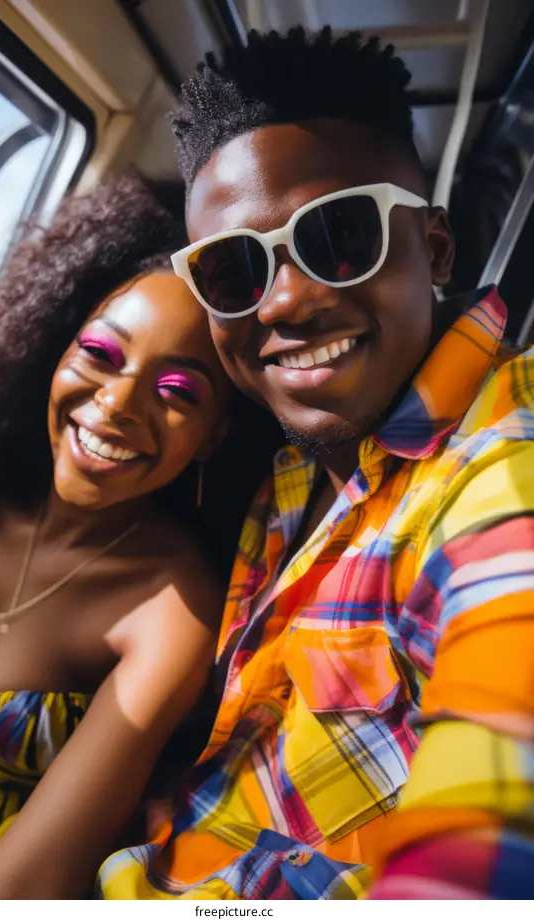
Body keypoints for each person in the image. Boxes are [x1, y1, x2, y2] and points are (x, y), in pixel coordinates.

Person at [96, 28, 534, 900]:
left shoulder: (499, 473)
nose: (288, 300)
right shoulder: (288, 477)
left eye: (339, 236)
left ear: (436, 250)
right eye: (233, 271)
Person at [0, 173, 256, 900]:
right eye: (101, 355)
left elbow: (21, 891)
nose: (116, 406)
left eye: (177, 393)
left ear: (215, 437)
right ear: (53, 346)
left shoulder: (173, 609)